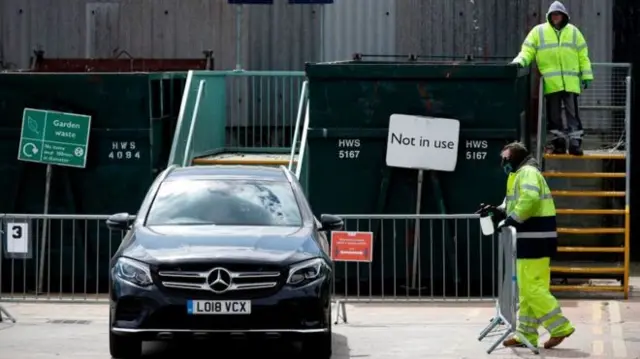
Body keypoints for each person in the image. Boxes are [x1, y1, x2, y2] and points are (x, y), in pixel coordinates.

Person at [477, 141, 575, 349]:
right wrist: (497, 210)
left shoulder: (528, 172)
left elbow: (529, 201)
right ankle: (526, 335)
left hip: (535, 239)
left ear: (515, 158)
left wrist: (510, 220)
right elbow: (512, 203)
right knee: (527, 290)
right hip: (529, 239)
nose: (503, 161)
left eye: (506, 158)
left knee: (533, 288)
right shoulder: (517, 175)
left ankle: (560, 327)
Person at [510, 1, 593, 156]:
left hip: (570, 83)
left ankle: (575, 145)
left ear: (564, 16)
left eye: (558, 15)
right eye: (553, 15)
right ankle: (559, 144)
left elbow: (583, 56)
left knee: (572, 115)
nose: (556, 17)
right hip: (551, 84)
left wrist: (587, 74)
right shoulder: (538, 32)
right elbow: (527, 50)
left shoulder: (574, 32)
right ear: (549, 16)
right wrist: (519, 61)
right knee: (554, 117)